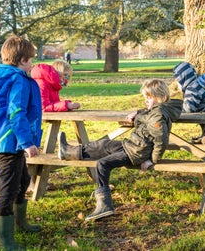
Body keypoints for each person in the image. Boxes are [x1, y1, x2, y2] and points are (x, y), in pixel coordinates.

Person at [57, 78, 183, 221]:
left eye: (149, 98)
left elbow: (161, 141)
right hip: (133, 145)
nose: (146, 101)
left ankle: (104, 205)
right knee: (105, 144)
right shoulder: (157, 111)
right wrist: (138, 113)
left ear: (159, 97)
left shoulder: (158, 115)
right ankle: (68, 152)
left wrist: (151, 160)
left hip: (136, 153)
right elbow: (148, 115)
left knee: (102, 164)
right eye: (145, 98)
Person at [0, 35, 43, 250]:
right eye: (31, 60)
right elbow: (16, 113)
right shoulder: (18, 80)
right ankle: (4, 242)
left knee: (23, 181)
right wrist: (27, 142)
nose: (32, 64)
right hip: (9, 142)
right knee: (8, 189)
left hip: (3, 141)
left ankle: (20, 223)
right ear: (22, 60)